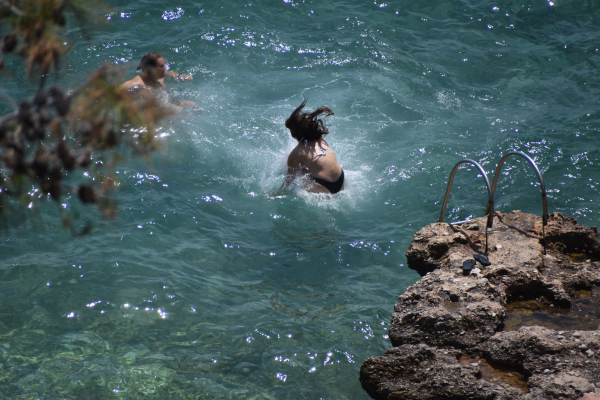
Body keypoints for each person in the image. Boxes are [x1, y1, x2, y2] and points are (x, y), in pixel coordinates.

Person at [283, 99, 345, 194]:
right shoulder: (320, 138)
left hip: (323, 187)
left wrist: (274, 194)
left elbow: (289, 182)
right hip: (341, 181)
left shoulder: (297, 152)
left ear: (294, 134)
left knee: (300, 172)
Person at [121, 52, 197, 109]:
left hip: (169, 100)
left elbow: (170, 73)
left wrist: (179, 76)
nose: (165, 68)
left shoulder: (159, 74)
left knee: (194, 105)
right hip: (156, 109)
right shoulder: (136, 84)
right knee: (179, 110)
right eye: (161, 66)